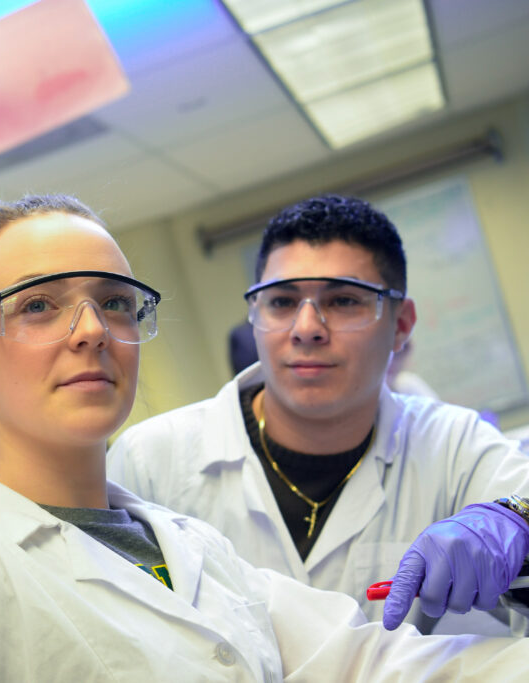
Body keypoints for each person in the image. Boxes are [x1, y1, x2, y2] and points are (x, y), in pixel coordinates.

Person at [0, 75, 529, 681]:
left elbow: (370, 661)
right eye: (39, 304)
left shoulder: (193, 547)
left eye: (114, 302)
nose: (91, 328)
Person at [108, 194, 529, 634]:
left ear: (401, 325)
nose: (306, 328)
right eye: (282, 302)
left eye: (344, 300)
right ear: (254, 315)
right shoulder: (149, 461)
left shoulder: (452, 444)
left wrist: (515, 520)